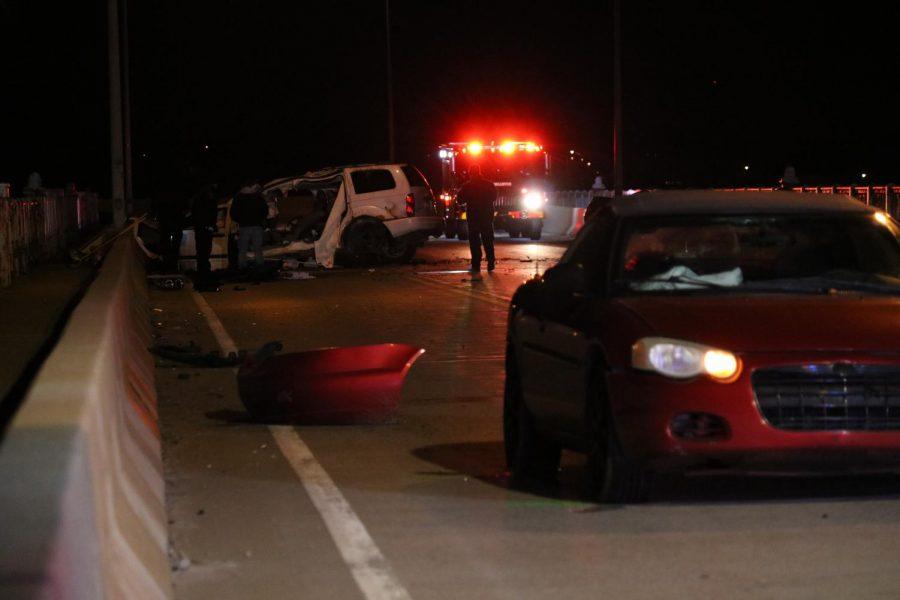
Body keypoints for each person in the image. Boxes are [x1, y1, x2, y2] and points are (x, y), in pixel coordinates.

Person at [456, 164, 497, 276]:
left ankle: (476, 264)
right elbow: (494, 197)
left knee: (474, 241)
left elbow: (459, 200)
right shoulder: (489, 185)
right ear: (479, 172)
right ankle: (491, 262)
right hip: (486, 216)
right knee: (488, 239)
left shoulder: (467, 186)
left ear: (470, 173)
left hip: (473, 217)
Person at [230, 182, 268, 270]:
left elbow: (233, 213)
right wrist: (260, 220)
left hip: (244, 226)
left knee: (242, 249)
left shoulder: (238, 198)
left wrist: (240, 220)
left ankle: (242, 267)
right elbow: (265, 211)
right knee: (258, 249)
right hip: (257, 226)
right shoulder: (258, 197)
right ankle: (259, 268)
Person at [190, 184, 220, 289]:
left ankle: (202, 274)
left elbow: (194, 216)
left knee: (201, 253)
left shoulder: (197, 201)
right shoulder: (211, 202)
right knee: (205, 252)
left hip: (200, 230)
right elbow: (213, 215)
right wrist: (211, 226)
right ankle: (205, 274)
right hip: (206, 230)